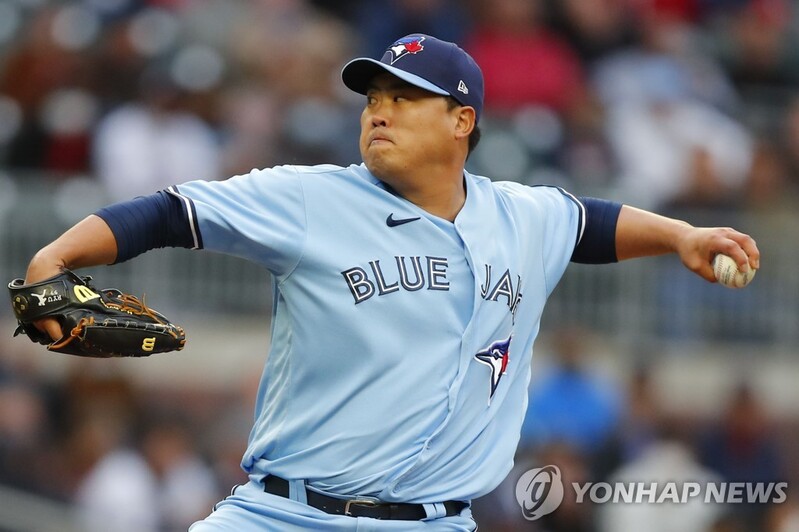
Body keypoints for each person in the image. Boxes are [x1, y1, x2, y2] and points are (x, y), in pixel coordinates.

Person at [22, 34, 760, 531]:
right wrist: (51, 261)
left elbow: (591, 224)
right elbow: (168, 212)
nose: (379, 110)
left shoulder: (522, 215)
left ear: (461, 121)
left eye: (405, 98)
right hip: (282, 516)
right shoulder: (312, 197)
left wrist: (680, 235)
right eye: (373, 96)